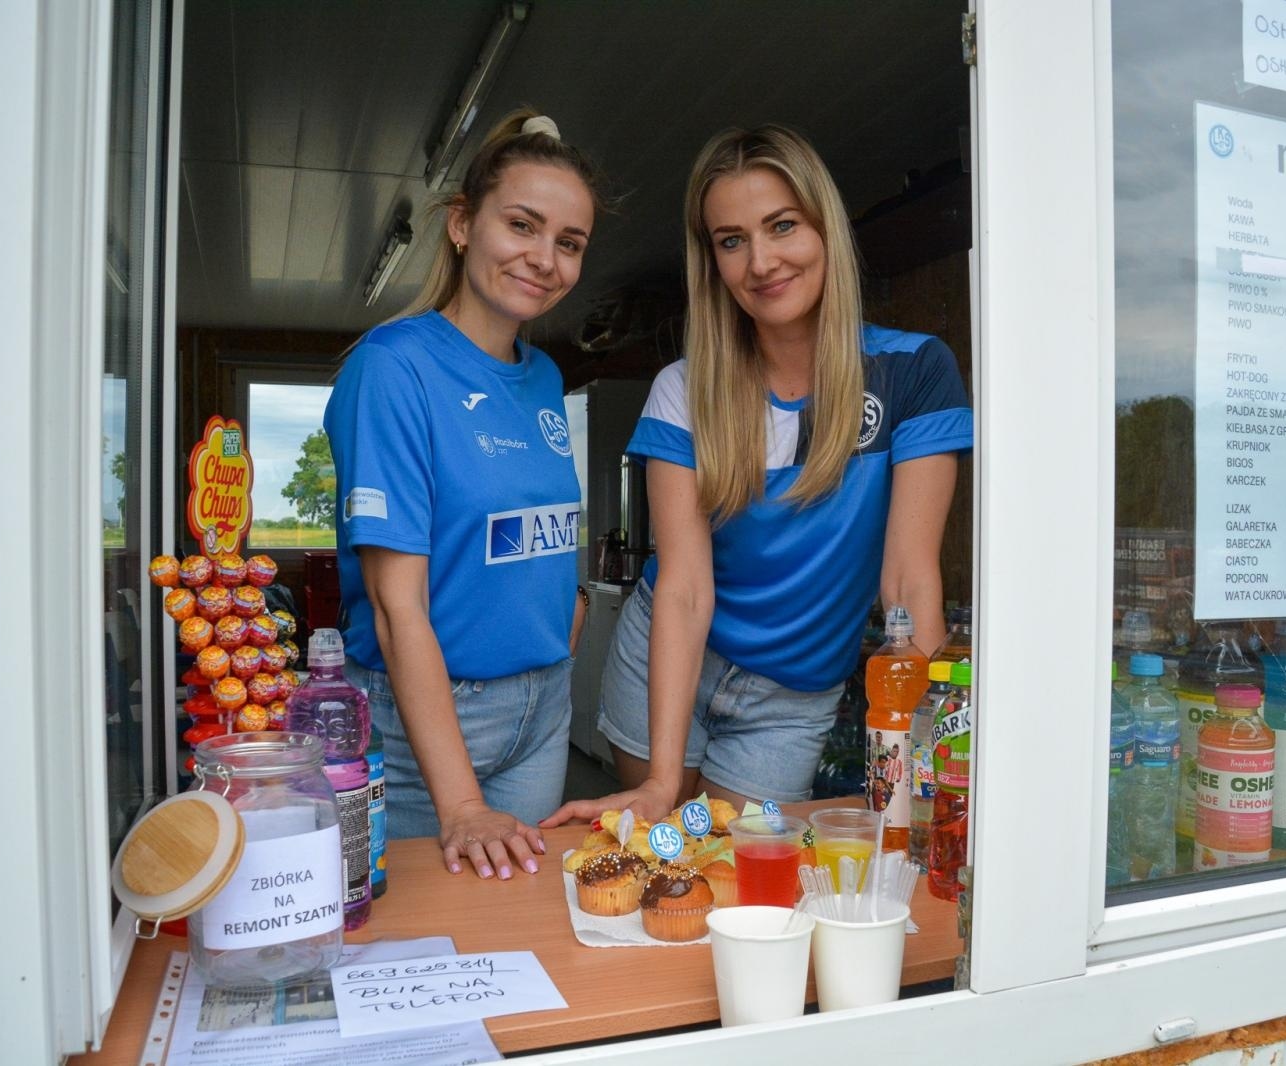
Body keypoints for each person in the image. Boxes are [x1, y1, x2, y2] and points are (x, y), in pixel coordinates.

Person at [545, 125, 972, 828]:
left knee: (742, 883)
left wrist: (923, 754)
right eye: (731, 240)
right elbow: (682, 587)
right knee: (666, 860)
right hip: (674, 656)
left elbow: (908, 579)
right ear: (710, 260)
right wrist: (658, 784)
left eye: (782, 226)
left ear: (824, 228)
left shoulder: (913, 372)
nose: (762, 261)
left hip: (793, 697)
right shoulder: (683, 389)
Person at [325, 110, 605, 879]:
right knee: (424, 943)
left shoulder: (544, 376)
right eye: (522, 224)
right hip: (429, 714)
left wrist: (562, 626)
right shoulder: (392, 368)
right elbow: (395, 606)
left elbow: (534, 536)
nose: (545, 258)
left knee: (519, 922)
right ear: (461, 225)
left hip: (544, 705)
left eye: (570, 243)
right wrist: (461, 807)